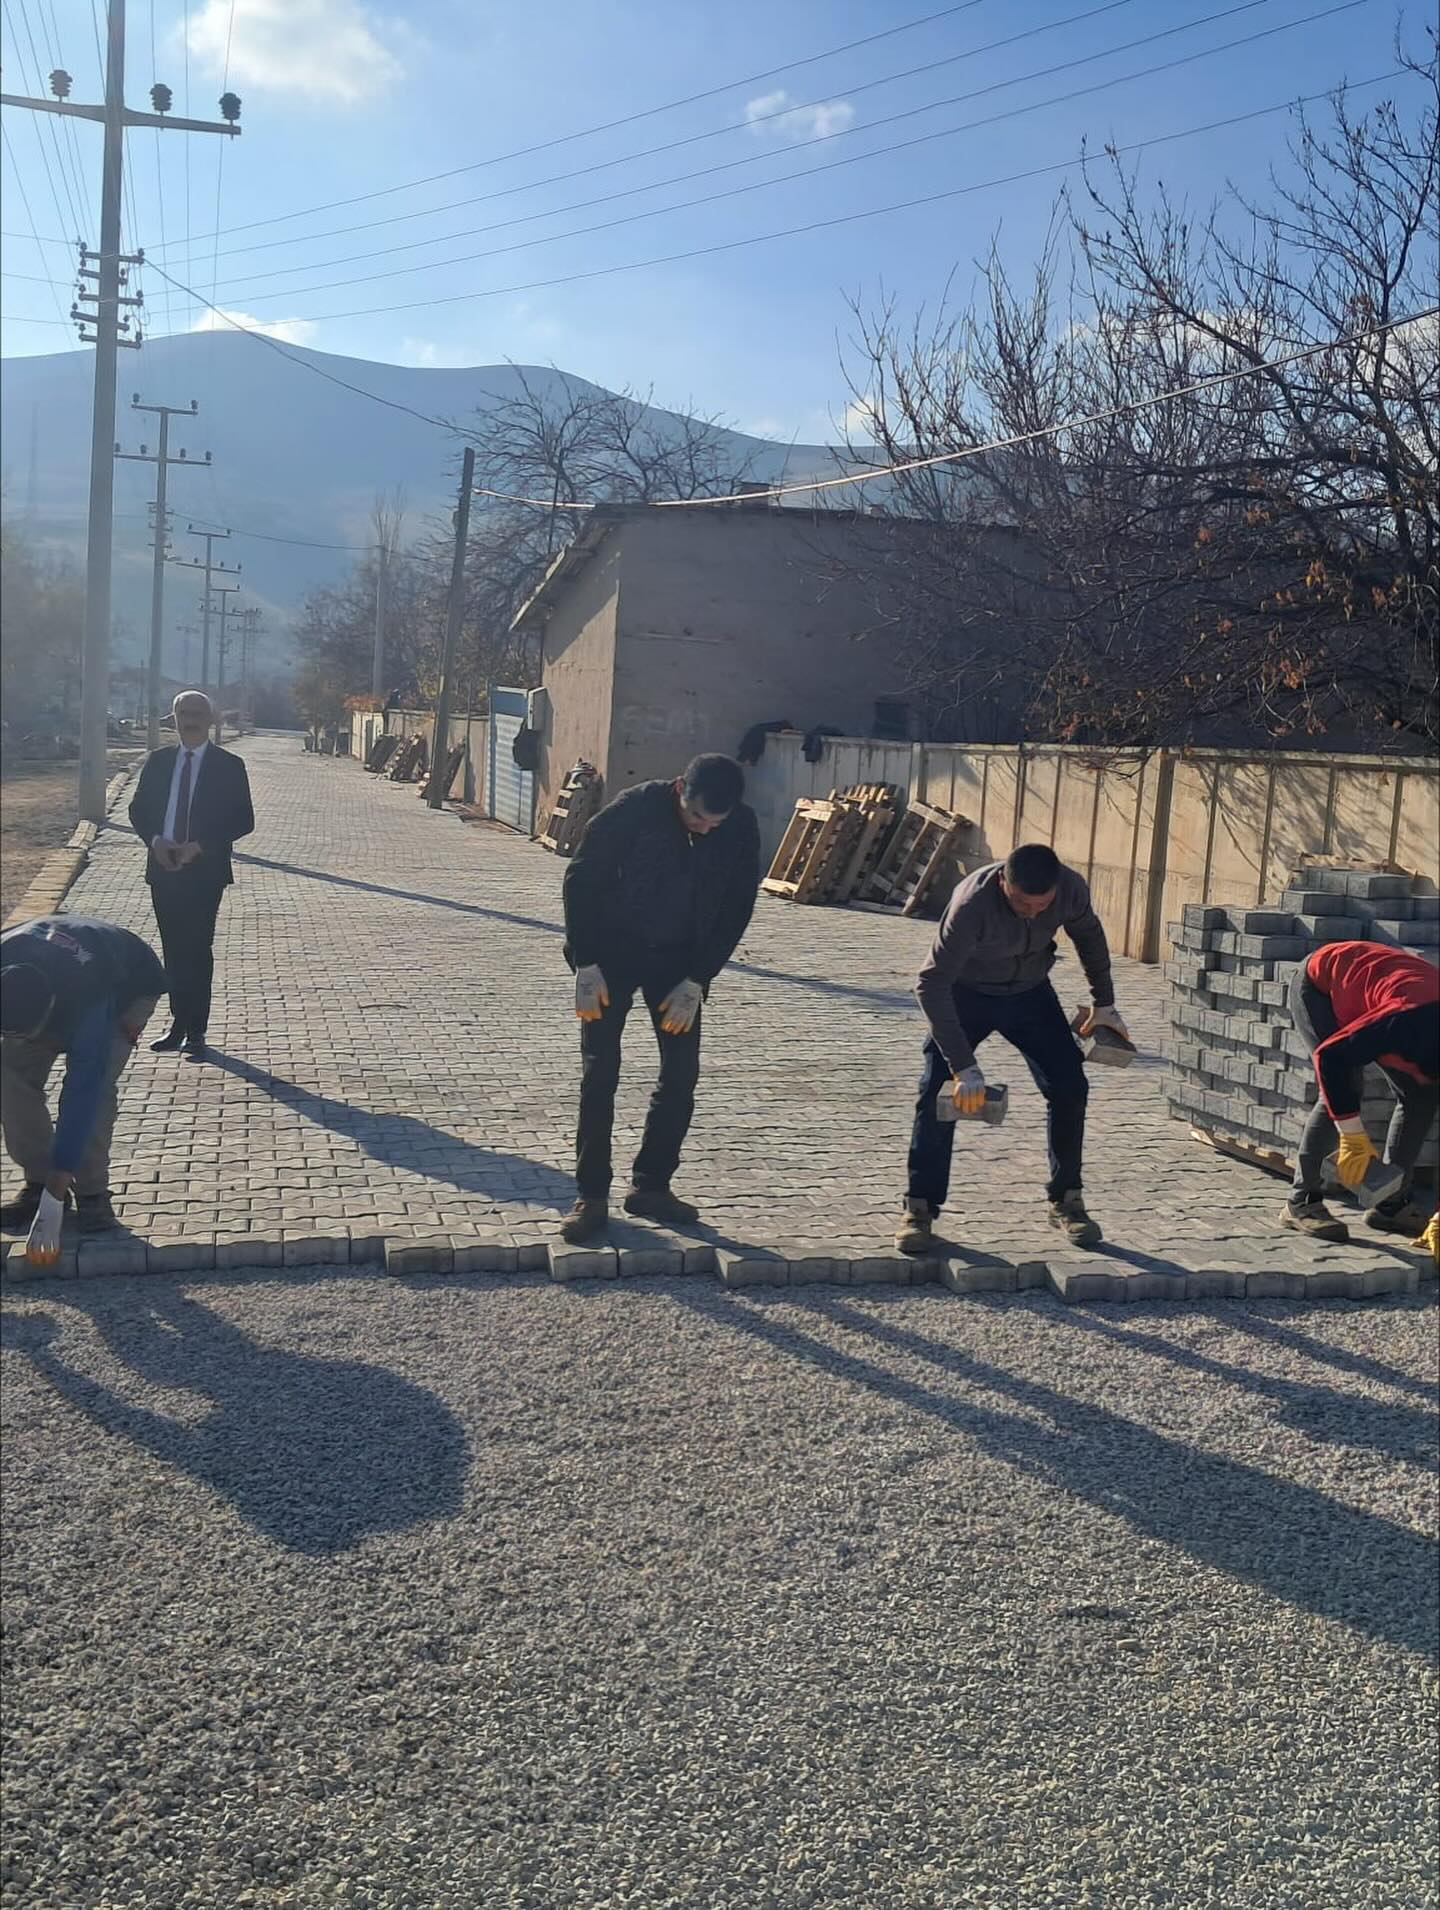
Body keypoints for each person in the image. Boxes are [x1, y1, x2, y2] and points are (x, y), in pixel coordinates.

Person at [559, 753, 760, 1243]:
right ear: (678, 790)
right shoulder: (635, 809)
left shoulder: (740, 826)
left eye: (716, 822)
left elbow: (738, 905)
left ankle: (651, 1185)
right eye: (696, 817)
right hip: (611, 958)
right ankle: (592, 1195)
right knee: (600, 1073)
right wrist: (585, 963)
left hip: (678, 965)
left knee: (680, 1075)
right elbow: (580, 878)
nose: (706, 828)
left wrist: (698, 978)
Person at [897, 843, 1126, 1255]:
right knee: (936, 1091)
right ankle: (920, 1208)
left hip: (1030, 993)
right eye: (1022, 902)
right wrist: (964, 1067)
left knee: (1070, 1086)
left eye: (1043, 904)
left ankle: (1067, 1200)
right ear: (1003, 880)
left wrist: (1103, 1003)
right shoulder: (971, 904)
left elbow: (1089, 936)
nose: (1033, 912)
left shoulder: (1070, 889)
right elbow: (930, 985)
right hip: (967, 994)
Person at [1, 914, 165, 1260]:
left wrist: (63, 1179)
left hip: (127, 985)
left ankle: (91, 1194)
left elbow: (82, 1092)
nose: (39, 1043)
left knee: (98, 1089)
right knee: (9, 1076)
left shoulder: (86, 996)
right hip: (43, 971)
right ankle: (37, 1181)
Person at [1280, 940, 1439, 1242]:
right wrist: (1351, 1136)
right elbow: (1331, 1057)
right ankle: (1302, 1202)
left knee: (1423, 1097)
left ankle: (1390, 1205)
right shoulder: (1403, 1024)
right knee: (1343, 1087)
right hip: (1323, 985)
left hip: (1389, 997)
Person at [128, 689, 254, 1063]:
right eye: (184, 712)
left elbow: (243, 820)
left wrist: (200, 845)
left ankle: (197, 1030)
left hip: (204, 870)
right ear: (175, 718)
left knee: (197, 949)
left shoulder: (229, 765)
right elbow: (138, 810)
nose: (192, 719)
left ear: (211, 719)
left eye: (198, 712)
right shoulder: (158, 761)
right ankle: (177, 1025)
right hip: (163, 867)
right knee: (173, 948)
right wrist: (155, 841)